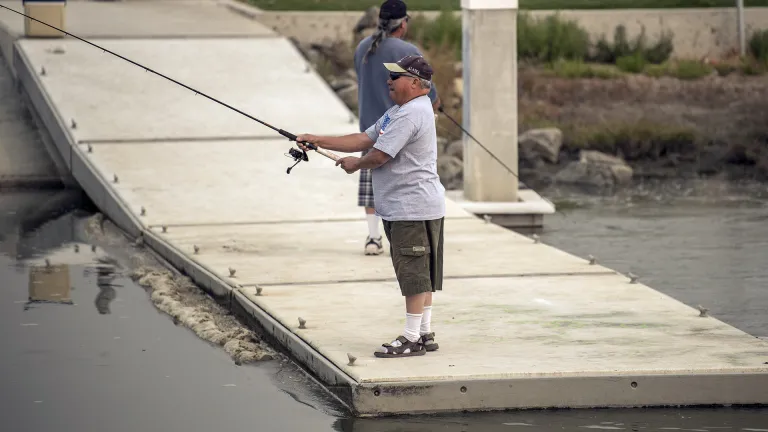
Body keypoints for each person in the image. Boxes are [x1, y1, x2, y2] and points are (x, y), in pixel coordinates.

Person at [297, 54, 445, 358]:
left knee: (414, 274)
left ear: (415, 83)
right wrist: (317, 140)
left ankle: (411, 338)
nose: (388, 81)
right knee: (422, 272)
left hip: (411, 208)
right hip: (418, 206)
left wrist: (355, 165)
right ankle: (424, 332)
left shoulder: (411, 114)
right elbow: (364, 138)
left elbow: (378, 156)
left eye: (396, 77)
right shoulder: (400, 111)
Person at [353, 0, 441, 256]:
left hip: (369, 128)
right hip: (401, 128)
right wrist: (436, 105)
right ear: (402, 24)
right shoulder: (407, 50)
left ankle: (373, 237)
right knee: (406, 184)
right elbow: (427, 90)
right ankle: (409, 233)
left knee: (372, 183)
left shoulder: (362, 48)